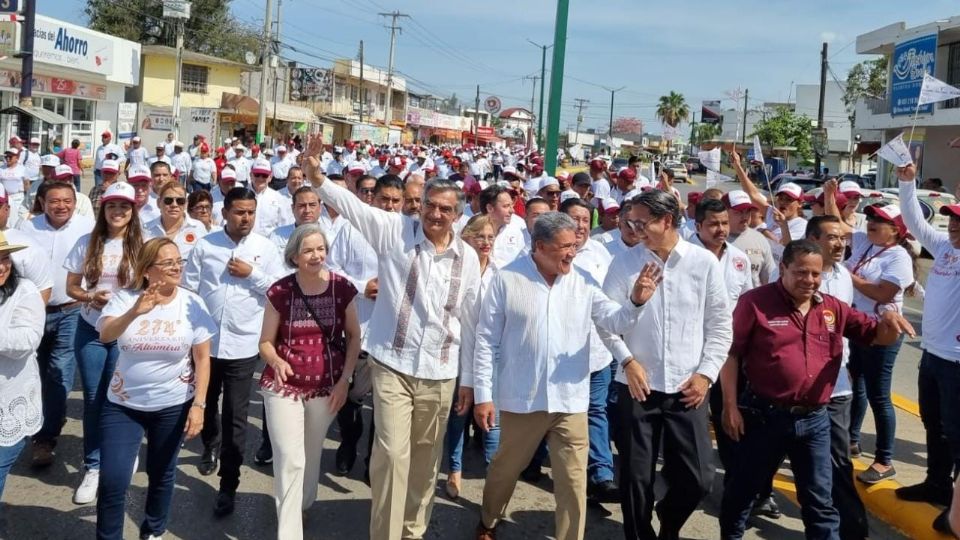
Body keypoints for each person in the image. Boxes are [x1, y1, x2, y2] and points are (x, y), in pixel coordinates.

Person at [302, 139, 482, 540]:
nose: (436, 214)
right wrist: (317, 178)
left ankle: (413, 531)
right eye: (430, 205)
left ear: (457, 214)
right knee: (392, 454)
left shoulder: (468, 258)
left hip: (440, 371)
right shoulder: (394, 231)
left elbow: (471, 322)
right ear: (420, 206)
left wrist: (469, 381)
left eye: (446, 209)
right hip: (392, 366)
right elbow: (354, 208)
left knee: (424, 461)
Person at [473, 212, 660, 540]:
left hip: (571, 400)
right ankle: (489, 520)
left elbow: (614, 322)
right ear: (540, 246)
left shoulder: (584, 281)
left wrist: (635, 301)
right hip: (522, 399)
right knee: (505, 470)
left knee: (573, 481)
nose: (571, 253)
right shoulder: (507, 279)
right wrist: (483, 396)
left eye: (574, 246)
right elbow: (486, 341)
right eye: (564, 247)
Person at [719, 240, 915, 539]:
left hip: (814, 422)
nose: (809, 280)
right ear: (782, 268)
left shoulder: (833, 308)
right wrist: (730, 406)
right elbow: (731, 354)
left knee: (820, 501)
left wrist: (888, 319)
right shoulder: (755, 303)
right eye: (801, 272)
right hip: (764, 418)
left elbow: (878, 337)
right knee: (743, 493)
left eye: (815, 274)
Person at [602, 189, 732, 540]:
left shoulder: (702, 263)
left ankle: (669, 523)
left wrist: (706, 375)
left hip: (687, 389)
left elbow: (720, 326)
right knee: (635, 479)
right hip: (637, 386)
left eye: (643, 223)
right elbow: (605, 322)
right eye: (631, 222)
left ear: (668, 221)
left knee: (700, 477)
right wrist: (627, 361)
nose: (635, 229)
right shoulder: (625, 264)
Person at [95, 237, 215, 539]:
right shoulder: (125, 298)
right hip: (123, 404)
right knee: (114, 479)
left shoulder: (192, 303)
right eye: (168, 262)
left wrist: (198, 406)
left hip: (172, 404)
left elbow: (202, 358)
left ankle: (153, 531)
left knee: (162, 474)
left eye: (179, 261)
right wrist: (135, 311)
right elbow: (107, 335)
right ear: (148, 270)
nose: (177, 267)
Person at [183, 187, 284, 516]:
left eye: (251, 212)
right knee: (207, 404)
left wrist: (252, 273)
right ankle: (209, 445)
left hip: (243, 345)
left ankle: (229, 482)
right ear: (224, 213)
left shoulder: (265, 249)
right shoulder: (206, 246)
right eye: (239, 212)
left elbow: (279, 290)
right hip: (208, 345)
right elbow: (190, 290)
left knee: (236, 417)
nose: (246, 218)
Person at [258, 224, 362, 539]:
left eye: (320, 249)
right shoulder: (280, 291)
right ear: (295, 256)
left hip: (327, 387)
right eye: (308, 250)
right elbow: (265, 342)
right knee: (290, 458)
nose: (316, 256)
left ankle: (302, 503)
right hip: (283, 387)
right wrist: (276, 360)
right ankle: (290, 532)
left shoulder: (342, 287)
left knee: (311, 452)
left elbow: (355, 336)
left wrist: (345, 380)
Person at [64, 182, 143, 504]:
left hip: (127, 332)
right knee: (96, 399)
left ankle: (122, 454)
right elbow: (71, 287)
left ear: (132, 210)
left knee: (122, 397)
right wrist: (89, 296)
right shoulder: (87, 242)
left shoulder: (142, 243)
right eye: (112, 206)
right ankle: (94, 466)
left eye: (124, 206)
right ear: (104, 209)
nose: (118, 212)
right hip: (92, 330)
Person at [894, 164, 960, 533]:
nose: (951, 225)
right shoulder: (945, 249)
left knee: (957, 433)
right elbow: (916, 223)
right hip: (932, 355)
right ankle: (937, 483)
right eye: (950, 218)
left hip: (957, 362)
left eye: (957, 221)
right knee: (933, 425)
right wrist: (907, 184)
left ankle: (958, 509)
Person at [833, 197, 914, 484]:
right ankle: (852, 440)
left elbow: (883, 294)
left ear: (896, 230)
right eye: (870, 219)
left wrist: (847, 275)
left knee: (879, 395)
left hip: (883, 331)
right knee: (854, 386)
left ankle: (884, 459)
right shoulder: (866, 243)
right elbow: (838, 227)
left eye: (879, 221)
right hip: (858, 327)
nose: (872, 224)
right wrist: (832, 196)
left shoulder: (899, 258)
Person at [561, 197, 633, 503]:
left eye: (583, 219)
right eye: (573, 218)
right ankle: (534, 459)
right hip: (559, 353)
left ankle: (601, 475)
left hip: (598, 352)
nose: (579, 225)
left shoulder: (602, 254)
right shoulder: (547, 250)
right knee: (554, 414)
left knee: (596, 410)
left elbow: (613, 301)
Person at [18, 181, 95, 467]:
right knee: (34, 373)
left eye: (67, 200)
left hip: (71, 310)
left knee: (59, 371)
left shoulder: (88, 227)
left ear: (75, 203)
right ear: (42, 202)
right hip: (34, 310)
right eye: (54, 201)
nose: (61, 206)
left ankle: (45, 438)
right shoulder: (27, 228)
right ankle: (49, 413)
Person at [804, 215, 870, 539]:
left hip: (836, 386)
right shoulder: (793, 274)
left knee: (837, 462)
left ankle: (852, 529)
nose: (840, 242)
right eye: (832, 237)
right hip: (796, 390)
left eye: (841, 237)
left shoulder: (844, 276)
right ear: (813, 240)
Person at [444, 214, 498, 499]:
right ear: (466, 238)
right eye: (480, 237)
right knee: (458, 416)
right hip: (458, 354)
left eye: (490, 237)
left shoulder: (499, 274)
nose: (486, 242)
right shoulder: (457, 271)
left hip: (490, 359)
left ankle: (494, 479)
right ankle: (454, 468)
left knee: (492, 421)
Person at [0, 230, 44, 501]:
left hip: (9, 401)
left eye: (5, 258)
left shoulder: (24, 290)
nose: (1, 266)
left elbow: (27, 340)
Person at [731, 151, 807, 262]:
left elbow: (788, 248)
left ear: (800, 204)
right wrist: (737, 166)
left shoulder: (802, 225)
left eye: (789, 200)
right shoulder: (772, 212)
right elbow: (753, 194)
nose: (783, 202)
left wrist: (768, 230)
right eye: (781, 198)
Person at [724, 190, 776, 288]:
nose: (745, 216)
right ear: (724, 212)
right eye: (738, 212)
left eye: (748, 211)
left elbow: (769, 279)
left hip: (751, 302)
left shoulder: (760, 239)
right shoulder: (715, 239)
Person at [144, 181, 208, 258]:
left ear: (186, 204)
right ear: (158, 203)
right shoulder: (145, 229)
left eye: (180, 201)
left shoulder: (198, 228)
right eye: (168, 200)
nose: (174, 205)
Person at [480, 184, 525, 267]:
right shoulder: (472, 229)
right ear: (490, 208)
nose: (512, 210)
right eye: (506, 206)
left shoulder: (517, 229)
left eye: (511, 205)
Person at [249, 159, 289, 236]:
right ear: (251, 175)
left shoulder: (278, 198)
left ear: (270, 177)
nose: (260, 178)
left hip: (269, 244)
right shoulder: (240, 195)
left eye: (264, 175)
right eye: (257, 174)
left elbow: (283, 225)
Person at [0, 148, 28, 230]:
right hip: (4, 197)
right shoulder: (1, 168)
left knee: (18, 216)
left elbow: (26, 183)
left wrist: (26, 195)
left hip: (18, 197)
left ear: (17, 158)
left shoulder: (22, 169)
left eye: (10, 157)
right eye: (6, 157)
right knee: (6, 216)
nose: (8, 158)